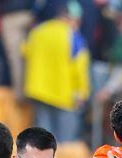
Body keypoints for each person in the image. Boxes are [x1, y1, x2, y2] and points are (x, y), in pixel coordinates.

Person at [23, 0, 90, 142]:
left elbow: (25, 51)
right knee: (65, 142)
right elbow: (80, 68)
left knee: (43, 140)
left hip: (39, 90)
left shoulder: (39, 30)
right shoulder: (74, 37)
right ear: (73, 18)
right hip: (65, 95)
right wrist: (82, 93)